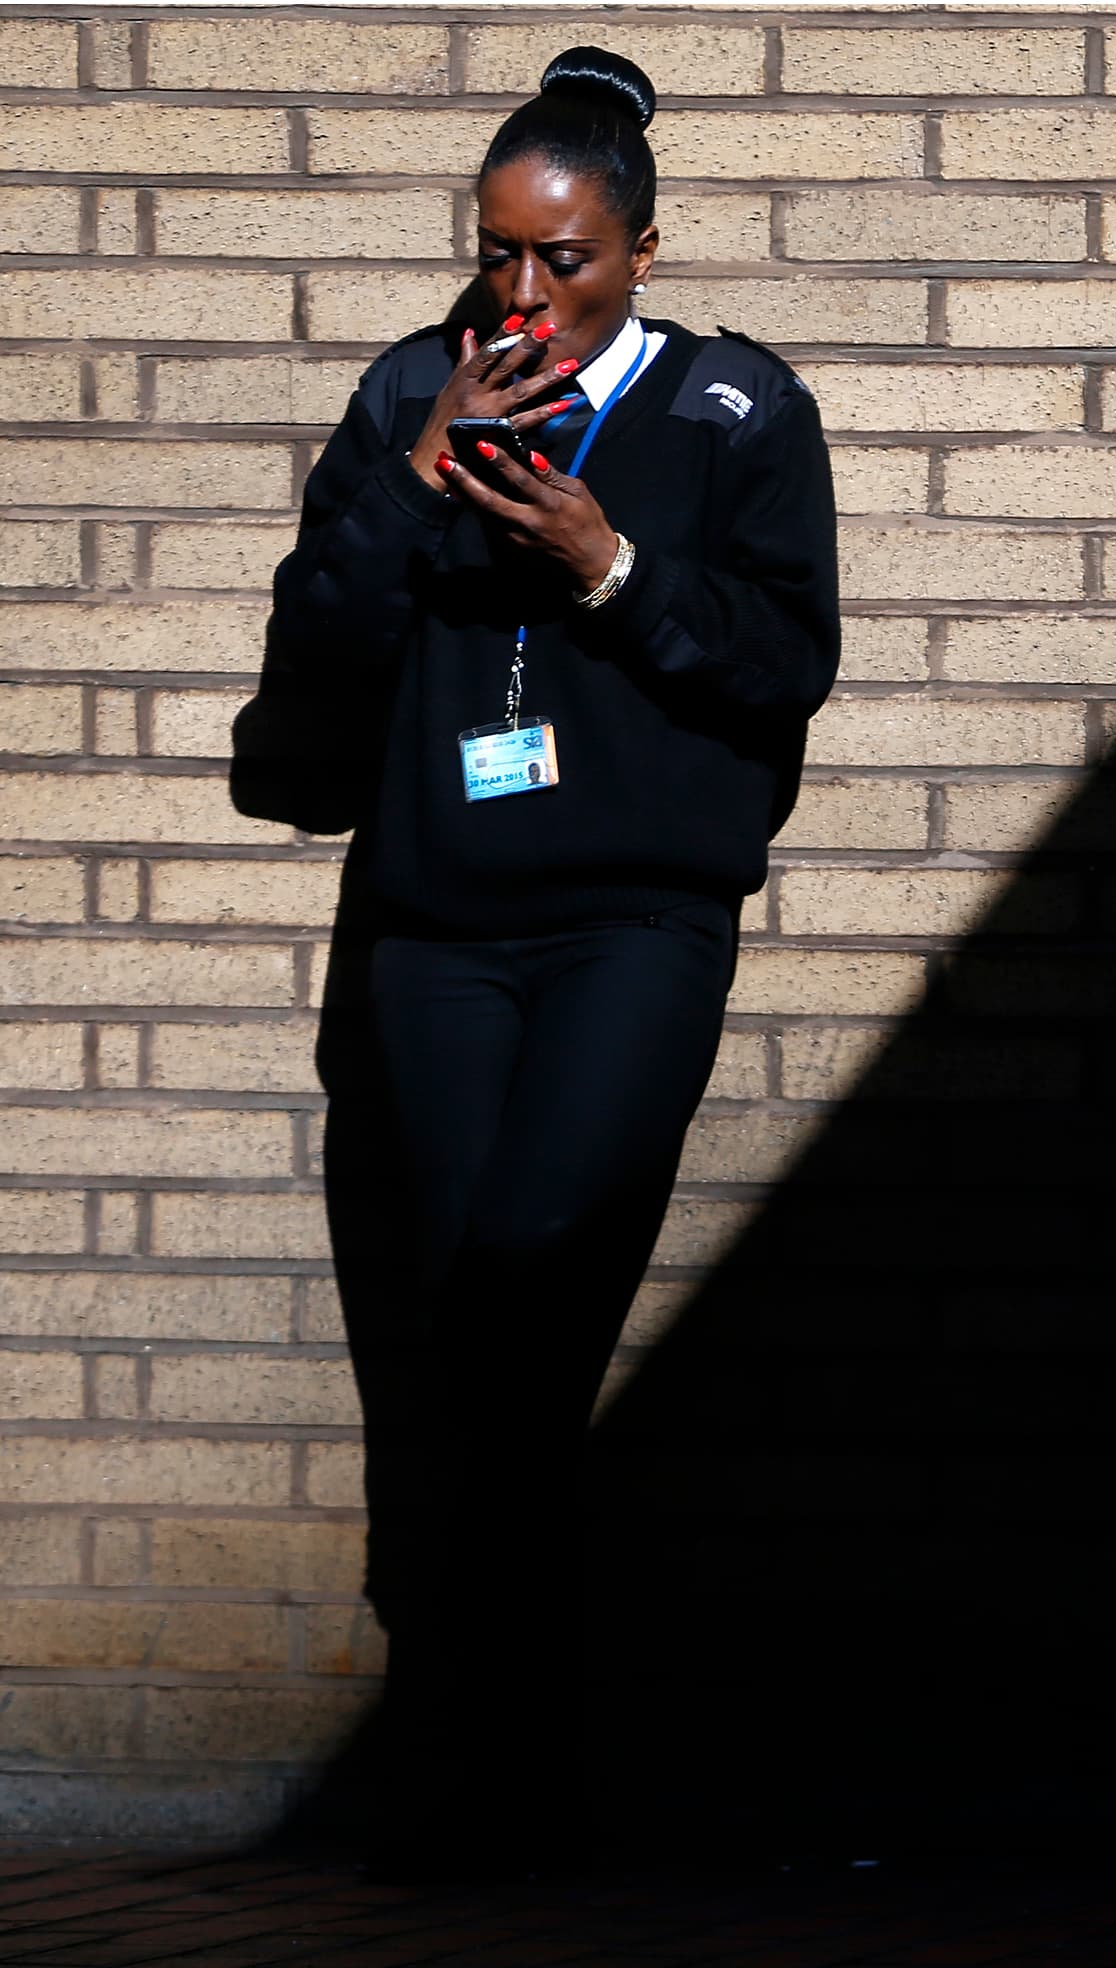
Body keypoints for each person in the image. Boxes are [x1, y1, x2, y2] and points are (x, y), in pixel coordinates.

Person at [232, 45, 839, 1866]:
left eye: (564, 261)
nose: (523, 296)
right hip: (433, 936)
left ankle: (500, 1752)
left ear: (642, 251)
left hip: (632, 926)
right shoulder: (414, 393)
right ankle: (506, 1769)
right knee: (464, 1343)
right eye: (497, 254)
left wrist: (603, 559)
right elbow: (314, 653)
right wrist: (413, 483)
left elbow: (776, 664)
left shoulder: (733, 411)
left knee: (525, 1290)